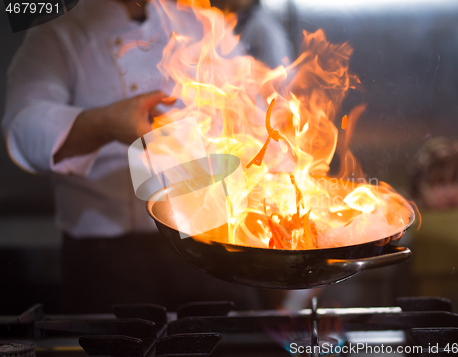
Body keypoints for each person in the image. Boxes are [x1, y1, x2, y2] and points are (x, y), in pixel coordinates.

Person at [2, 0, 292, 312]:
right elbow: (23, 126)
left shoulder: (196, 18)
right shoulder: (57, 31)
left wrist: (286, 190)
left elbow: (255, 112)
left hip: (212, 243)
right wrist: (105, 124)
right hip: (108, 260)